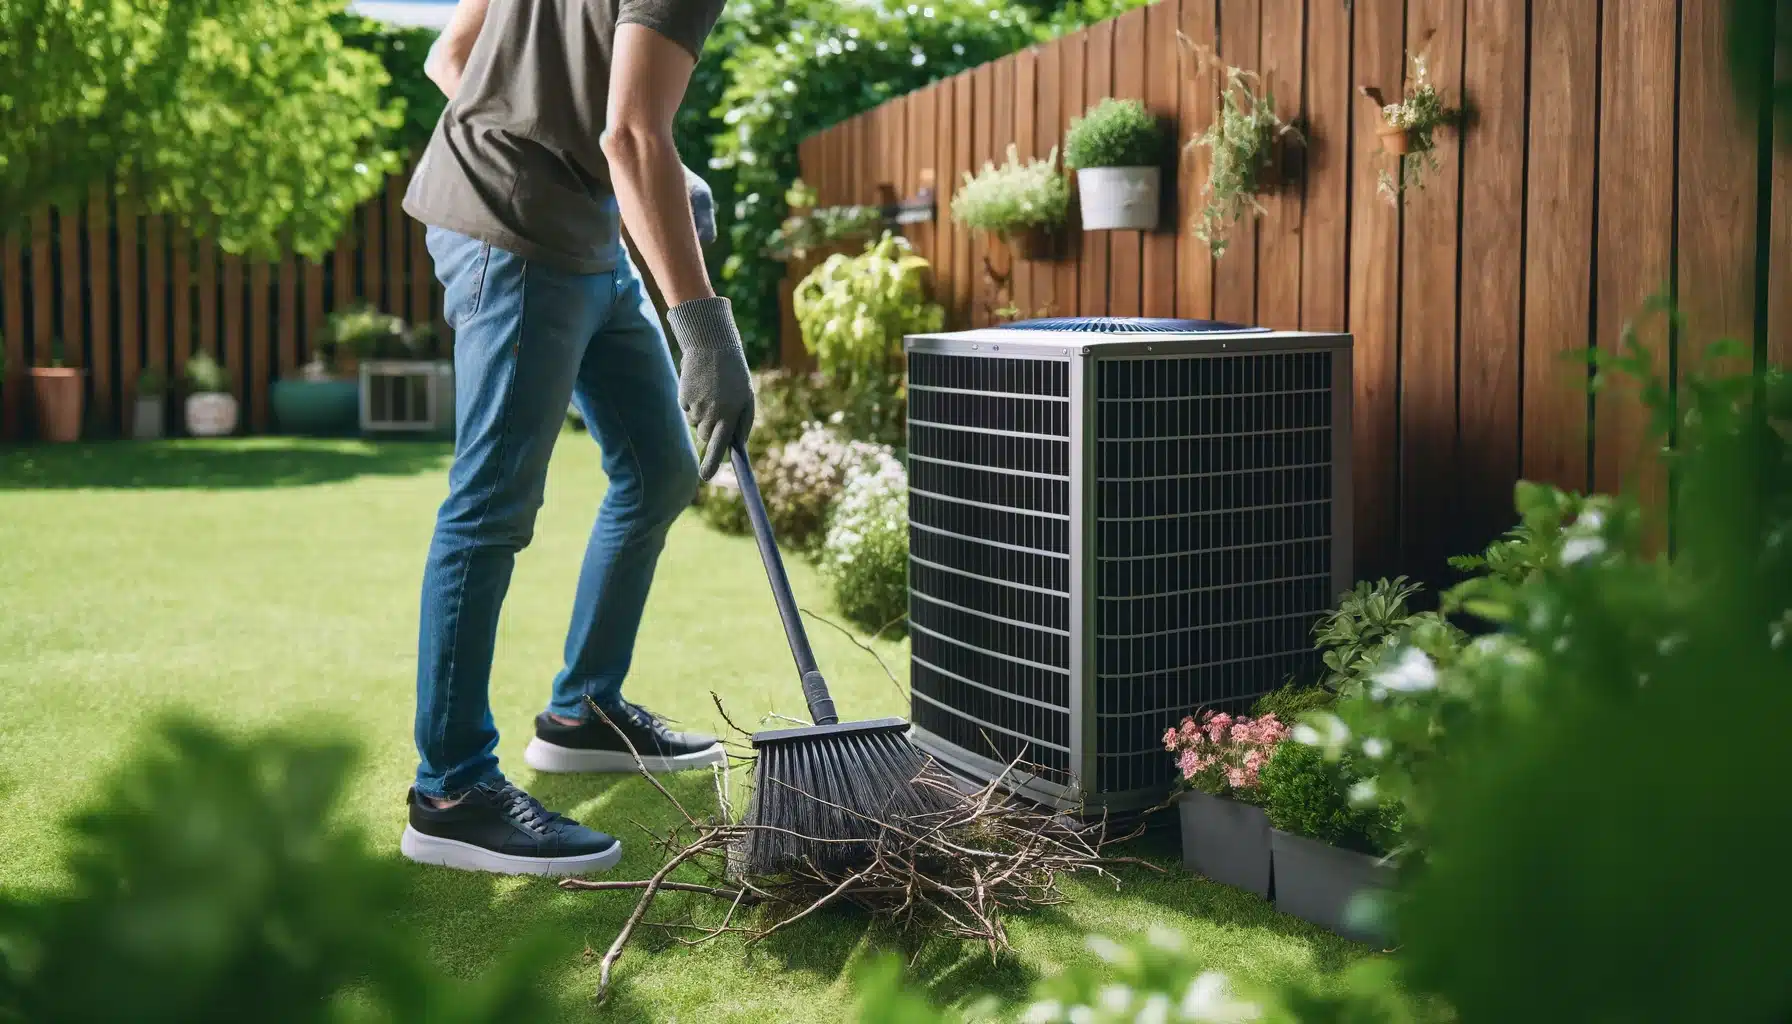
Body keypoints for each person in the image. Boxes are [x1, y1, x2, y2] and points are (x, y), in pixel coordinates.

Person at [395, 0, 752, 877]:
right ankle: (450, 791)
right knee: (493, 503)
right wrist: (705, 330)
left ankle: (582, 712)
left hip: (588, 234)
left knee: (661, 467)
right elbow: (630, 135)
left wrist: (652, 165)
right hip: (510, 232)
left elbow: (456, 58)